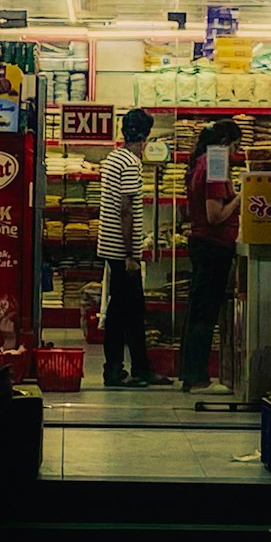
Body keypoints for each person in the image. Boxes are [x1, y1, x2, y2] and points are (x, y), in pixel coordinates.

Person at [96, 108, 171, 389]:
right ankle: (117, 370)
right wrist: (130, 254)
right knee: (123, 311)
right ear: (145, 137)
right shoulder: (130, 163)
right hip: (121, 251)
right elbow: (126, 209)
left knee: (129, 309)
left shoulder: (114, 158)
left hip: (112, 246)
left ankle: (137, 366)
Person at [179, 120, 242, 394]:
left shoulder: (201, 160)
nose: (236, 153)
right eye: (236, 146)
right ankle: (198, 378)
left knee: (197, 311)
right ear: (227, 142)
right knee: (205, 313)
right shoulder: (215, 162)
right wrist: (242, 196)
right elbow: (215, 215)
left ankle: (190, 374)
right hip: (214, 246)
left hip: (203, 244)